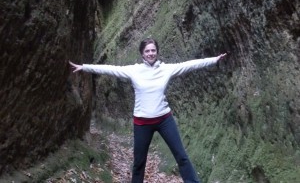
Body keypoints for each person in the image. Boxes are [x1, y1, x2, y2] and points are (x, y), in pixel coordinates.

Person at [69, 38, 227, 183]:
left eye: (153, 50)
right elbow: (110, 69)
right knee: (139, 163)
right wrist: (84, 67)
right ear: (142, 54)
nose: (151, 53)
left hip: (165, 119)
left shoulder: (166, 69)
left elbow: (189, 65)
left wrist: (214, 60)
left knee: (181, 156)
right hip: (142, 123)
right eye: (147, 51)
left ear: (157, 52)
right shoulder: (134, 70)